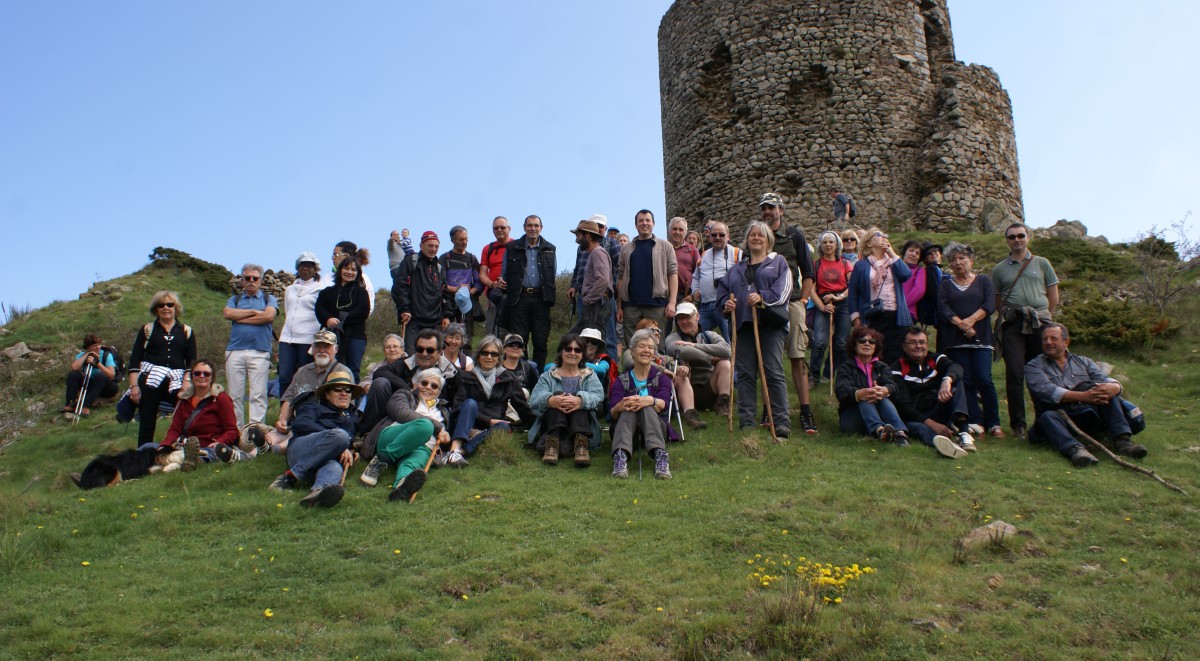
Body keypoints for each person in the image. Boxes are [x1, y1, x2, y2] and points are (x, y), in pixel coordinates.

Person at [1025, 323, 1146, 467]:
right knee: (1047, 417)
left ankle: (1124, 443)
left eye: (1053, 338)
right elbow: (1048, 391)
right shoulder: (1033, 366)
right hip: (1059, 415)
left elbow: (1103, 378)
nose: (1048, 342)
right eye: (1045, 339)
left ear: (1066, 342)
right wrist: (1085, 396)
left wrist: (1116, 387)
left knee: (1104, 391)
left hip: (1087, 413)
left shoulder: (1084, 361)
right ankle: (1076, 450)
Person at [716, 221, 793, 438]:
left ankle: (780, 422)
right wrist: (726, 305)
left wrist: (763, 298)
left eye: (761, 235)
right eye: (752, 235)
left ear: (768, 239)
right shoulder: (736, 269)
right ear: (747, 240)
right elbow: (723, 291)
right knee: (746, 375)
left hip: (770, 324)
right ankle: (747, 422)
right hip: (744, 326)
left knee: (773, 371)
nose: (756, 238)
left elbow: (785, 290)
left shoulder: (778, 262)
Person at [992, 221, 1059, 440]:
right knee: (1014, 372)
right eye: (1012, 237)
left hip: (1039, 322)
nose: (1017, 240)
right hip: (1013, 324)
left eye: (1020, 235)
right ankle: (1018, 425)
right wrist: (1011, 315)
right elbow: (998, 300)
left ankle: (1046, 419)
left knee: (1042, 371)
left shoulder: (1042, 263)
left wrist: (1043, 315)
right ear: (1007, 241)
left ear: (1027, 237)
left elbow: (1052, 295)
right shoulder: (999, 269)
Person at [758, 193, 817, 434]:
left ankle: (806, 412)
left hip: (792, 302)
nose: (767, 212)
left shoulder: (794, 235)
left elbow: (808, 271)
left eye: (771, 207)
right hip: (766, 304)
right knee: (768, 359)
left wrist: (803, 299)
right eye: (764, 208)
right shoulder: (758, 236)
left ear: (781, 210)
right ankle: (767, 409)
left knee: (797, 357)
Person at [267, 367, 361, 508]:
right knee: (340, 435)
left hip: (327, 458)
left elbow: (351, 440)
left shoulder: (351, 417)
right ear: (327, 394)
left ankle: (317, 494)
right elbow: (301, 424)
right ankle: (290, 477)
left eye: (348, 391)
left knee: (335, 467)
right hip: (301, 450)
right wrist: (337, 442)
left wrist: (351, 451)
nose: (344, 394)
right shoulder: (313, 406)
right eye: (338, 389)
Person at [937, 243, 1001, 436]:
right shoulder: (946, 284)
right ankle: (975, 421)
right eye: (953, 260)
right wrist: (962, 325)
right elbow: (944, 309)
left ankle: (994, 423)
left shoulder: (983, 281)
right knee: (966, 382)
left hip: (981, 340)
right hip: (956, 342)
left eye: (962, 258)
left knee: (985, 379)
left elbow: (989, 305)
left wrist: (971, 321)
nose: (958, 263)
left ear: (971, 261)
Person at [359, 368, 449, 501]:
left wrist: (445, 435)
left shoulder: (444, 411)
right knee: (426, 426)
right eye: (424, 383)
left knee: (411, 466)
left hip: (423, 447)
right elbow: (400, 412)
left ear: (438, 392)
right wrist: (437, 427)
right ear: (416, 384)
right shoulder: (404, 395)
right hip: (392, 436)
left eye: (434, 386)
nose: (428, 387)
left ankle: (401, 489)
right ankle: (380, 460)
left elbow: (445, 435)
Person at [445, 336, 533, 466]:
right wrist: (488, 420)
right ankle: (455, 448)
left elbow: (523, 409)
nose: (489, 357)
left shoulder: (508, 379)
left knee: (503, 427)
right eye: (484, 353)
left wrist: (539, 429)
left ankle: (460, 452)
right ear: (478, 356)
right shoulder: (466, 376)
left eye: (494, 354)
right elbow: (458, 407)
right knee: (470, 403)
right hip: (467, 423)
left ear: (499, 357)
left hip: (492, 427)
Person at [356, 329, 460, 436]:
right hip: (399, 410)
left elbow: (454, 402)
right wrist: (408, 390)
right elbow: (380, 372)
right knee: (380, 383)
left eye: (430, 350)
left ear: (439, 352)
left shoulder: (451, 372)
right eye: (420, 349)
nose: (424, 354)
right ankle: (367, 433)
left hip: (433, 417)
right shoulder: (406, 362)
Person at [890, 328, 975, 457]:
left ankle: (964, 433)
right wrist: (933, 424)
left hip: (938, 409)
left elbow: (956, 367)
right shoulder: (897, 368)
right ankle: (944, 447)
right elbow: (903, 405)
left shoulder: (936, 359)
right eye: (913, 342)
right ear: (904, 346)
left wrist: (947, 380)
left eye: (922, 342)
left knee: (956, 382)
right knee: (921, 429)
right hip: (915, 417)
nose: (918, 346)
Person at [128, 291, 197, 447]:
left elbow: (191, 360)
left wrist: (186, 382)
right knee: (147, 418)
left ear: (176, 307)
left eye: (170, 304)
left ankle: (185, 448)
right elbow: (135, 360)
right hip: (150, 379)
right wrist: (134, 387)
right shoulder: (147, 329)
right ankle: (143, 455)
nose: (166, 308)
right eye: (161, 305)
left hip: (177, 380)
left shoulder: (186, 331)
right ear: (156, 308)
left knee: (184, 414)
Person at [529, 333, 606, 467]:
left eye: (577, 350)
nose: (572, 353)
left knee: (578, 399)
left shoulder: (590, 375)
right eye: (568, 349)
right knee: (558, 395)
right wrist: (550, 400)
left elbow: (598, 395)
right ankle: (552, 445)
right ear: (561, 351)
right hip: (553, 422)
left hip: (581, 422)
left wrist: (581, 401)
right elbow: (534, 400)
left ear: (582, 354)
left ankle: (581, 446)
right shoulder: (547, 375)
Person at [609, 329, 674, 479]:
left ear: (654, 353)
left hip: (655, 429)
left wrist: (650, 400)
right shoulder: (621, 380)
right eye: (642, 346)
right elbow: (612, 413)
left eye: (650, 347)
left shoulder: (662, 378)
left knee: (646, 407)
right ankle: (620, 457)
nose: (646, 350)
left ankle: (660, 457)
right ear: (632, 351)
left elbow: (663, 404)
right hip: (626, 432)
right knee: (629, 408)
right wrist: (621, 405)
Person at [223, 263, 278, 428]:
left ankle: (255, 433)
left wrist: (240, 317)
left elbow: (269, 316)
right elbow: (227, 313)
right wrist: (255, 312)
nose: (251, 281)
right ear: (242, 280)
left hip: (260, 351)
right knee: (234, 395)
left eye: (255, 278)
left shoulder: (269, 299)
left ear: (260, 280)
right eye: (247, 278)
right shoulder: (235, 299)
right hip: (235, 351)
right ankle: (236, 432)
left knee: (258, 394)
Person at [497, 215, 557, 368]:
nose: (533, 229)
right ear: (524, 227)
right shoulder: (512, 247)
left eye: (536, 226)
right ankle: (521, 374)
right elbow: (504, 273)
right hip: (519, 298)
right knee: (518, 340)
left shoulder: (550, 248)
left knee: (540, 340)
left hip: (541, 299)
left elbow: (552, 275)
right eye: (530, 225)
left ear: (541, 228)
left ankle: (537, 378)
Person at [160, 359, 243, 468]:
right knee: (147, 447)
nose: (201, 376)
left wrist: (219, 442)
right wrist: (165, 445)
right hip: (184, 445)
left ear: (212, 377)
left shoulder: (222, 399)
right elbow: (175, 429)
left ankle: (188, 462)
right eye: (197, 373)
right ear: (192, 377)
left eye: (206, 374)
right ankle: (176, 461)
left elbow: (232, 430)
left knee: (209, 454)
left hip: (209, 447)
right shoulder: (183, 400)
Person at [834, 326, 910, 444]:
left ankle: (901, 434)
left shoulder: (882, 366)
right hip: (852, 419)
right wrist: (858, 394)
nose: (867, 344)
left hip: (880, 413)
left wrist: (885, 390)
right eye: (862, 341)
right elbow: (841, 391)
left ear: (876, 346)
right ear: (854, 345)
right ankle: (880, 431)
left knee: (882, 397)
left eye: (871, 341)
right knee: (866, 397)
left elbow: (894, 387)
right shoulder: (845, 368)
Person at [848, 227, 912, 363]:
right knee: (876, 352)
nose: (884, 237)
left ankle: (894, 383)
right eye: (879, 235)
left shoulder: (893, 262)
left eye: (885, 235)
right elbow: (853, 293)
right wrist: (856, 319)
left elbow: (906, 275)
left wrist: (892, 253)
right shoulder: (861, 265)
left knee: (896, 354)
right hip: (873, 316)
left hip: (896, 315)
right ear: (870, 243)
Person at [615, 209, 678, 347]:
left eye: (648, 220)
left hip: (657, 304)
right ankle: (632, 369)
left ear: (653, 224)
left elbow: (672, 273)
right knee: (632, 346)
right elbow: (620, 278)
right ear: (636, 225)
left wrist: (672, 302)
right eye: (641, 221)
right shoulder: (626, 248)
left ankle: (657, 369)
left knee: (657, 346)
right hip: (630, 305)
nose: (644, 223)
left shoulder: (665, 246)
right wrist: (619, 306)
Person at [664, 302, 732, 419]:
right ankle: (688, 411)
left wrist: (695, 346)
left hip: (709, 387)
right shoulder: (673, 338)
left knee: (725, 363)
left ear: (697, 316)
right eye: (680, 319)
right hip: (686, 388)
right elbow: (682, 351)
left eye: (687, 317)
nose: (684, 322)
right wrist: (710, 359)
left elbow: (727, 351)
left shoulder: (710, 336)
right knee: (681, 373)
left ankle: (723, 404)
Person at [274, 330, 345, 436]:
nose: (321, 350)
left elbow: (345, 407)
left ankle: (281, 447)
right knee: (270, 438)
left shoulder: (343, 373)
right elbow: (289, 399)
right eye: (318, 346)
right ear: (312, 348)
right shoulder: (302, 371)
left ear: (336, 349)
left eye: (326, 347)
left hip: (328, 427)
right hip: (300, 423)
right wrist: (283, 420)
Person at [277, 252, 328, 395]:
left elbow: (319, 312)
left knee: (305, 376)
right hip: (287, 337)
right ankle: (285, 413)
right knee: (284, 376)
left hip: (307, 338)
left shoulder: (321, 289)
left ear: (315, 269)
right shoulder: (289, 289)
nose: (306, 268)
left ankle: (303, 411)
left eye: (310, 265)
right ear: (297, 268)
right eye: (302, 265)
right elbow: (289, 310)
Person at [393, 230, 452, 354]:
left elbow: (445, 293)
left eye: (436, 246)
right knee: (411, 358)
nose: (433, 249)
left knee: (434, 358)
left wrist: (447, 315)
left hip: (435, 323)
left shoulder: (439, 268)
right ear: (421, 246)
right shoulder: (410, 262)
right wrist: (404, 309)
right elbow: (399, 287)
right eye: (430, 245)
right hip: (413, 321)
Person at [809, 231, 853, 384]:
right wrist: (822, 307)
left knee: (841, 342)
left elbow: (851, 285)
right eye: (825, 242)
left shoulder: (845, 263)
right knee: (820, 342)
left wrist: (838, 297)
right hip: (823, 302)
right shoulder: (816, 265)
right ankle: (813, 376)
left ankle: (834, 375)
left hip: (842, 302)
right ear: (820, 245)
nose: (828, 245)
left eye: (831, 242)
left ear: (837, 245)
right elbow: (811, 289)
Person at [316, 256, 370, 379]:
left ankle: (352, 398)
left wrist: (341, 321)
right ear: (340, 270)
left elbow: (362, 312)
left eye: (353, 270)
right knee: (329, 369)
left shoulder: (361, 292)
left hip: (355, 337)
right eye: (346, 268)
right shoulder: (327, 292)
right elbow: (320, 309)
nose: (349, 272)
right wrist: (328, 319)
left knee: (352, 371)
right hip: (331, 337)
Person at [691, 220, 740, 339]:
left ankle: (730, 358)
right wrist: (695, 290)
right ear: (709, 237)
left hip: (725, 305)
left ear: (728, 236)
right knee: (699, 339)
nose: (717, 237)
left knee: (730, 341)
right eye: (714, 235)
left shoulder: (737, 253)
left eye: (721, 235)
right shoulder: (704, 255)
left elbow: (746, 278)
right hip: (705, 306)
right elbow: (696, 277)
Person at [567, 219, 612, 334]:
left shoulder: (597, 252)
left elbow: (602, 280)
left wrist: (588, 300)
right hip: (596, 302)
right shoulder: (594, 253)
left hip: (597, 303)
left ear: (587, 235)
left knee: (593, 341)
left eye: (578, 235)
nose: (576, 240)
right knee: (581, 339)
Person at [440, 226, 483, 347]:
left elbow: (479, 282)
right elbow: (438, 282)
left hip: (467, 304)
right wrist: (454, 289)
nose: (464, 242)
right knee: (446, 336)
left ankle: (466, 363)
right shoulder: (444, 258)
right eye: (460, 239)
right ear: (452, 240)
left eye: (466, 239)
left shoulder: (472, 259)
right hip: (448, 303)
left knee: (466, 337)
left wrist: (472, 291)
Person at [62, 334, 119, 418]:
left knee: (100, 376)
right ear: (88, 347)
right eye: (94, 345)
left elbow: (111, 375)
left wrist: (97, 363)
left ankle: (85, 406)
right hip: (90, 383)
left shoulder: (106, 355)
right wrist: (87, 355)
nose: (98, 347)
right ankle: (70, 404)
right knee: (73, 374)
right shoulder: (83, 355)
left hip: (107, 386)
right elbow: (74, 367)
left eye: (99, 344)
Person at [478, 216, 510, 337]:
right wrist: (493, 284)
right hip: (494, 296)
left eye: (502, 227)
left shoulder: (517, 245)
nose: (499, 230)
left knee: (514, 331)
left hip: (513, 296)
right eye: (496, 228)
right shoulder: (488, 248)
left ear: (509, 229)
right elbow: (482, 273)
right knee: (491, 333)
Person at [331, 241, 375, 312]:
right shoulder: (327, 277)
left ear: (346, 256)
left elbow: (368, 307)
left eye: (335, 255)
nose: (333, 258)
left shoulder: (363, 278)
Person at [668, 216, 701, 308]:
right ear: (669, 230)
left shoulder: (692, 250)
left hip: (686, 295)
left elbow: (699, 273)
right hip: (665, 295)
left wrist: (692, 295)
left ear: (685, 232)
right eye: (674, 229)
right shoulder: (663, 248)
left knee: (684, 322)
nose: (677, 232)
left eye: (681, 230)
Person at [578, 327, 618, 403]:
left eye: (593, 342)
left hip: (597, 398)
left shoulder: (603, 360)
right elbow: (549, 367)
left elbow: (601, 370)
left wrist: (577, 364)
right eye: (586, 341)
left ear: (597, 347)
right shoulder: (574, 356)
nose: (589, 344)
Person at [898, 241, 928, 327]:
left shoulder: (920, 271)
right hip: (888, 311)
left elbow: (919, 290)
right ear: (904, 252)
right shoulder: (892, 267)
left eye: (917, 253)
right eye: (911, 250)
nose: (914, 254)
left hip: (907, 313)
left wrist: (902, 306)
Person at [918, 241, 944, 327]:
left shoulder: (940, 271)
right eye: (928, 253)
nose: (933, 253)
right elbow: (936, 293)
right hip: (941, 313)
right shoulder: (931, 269)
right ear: (925, 260)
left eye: (935, 250)